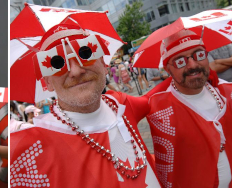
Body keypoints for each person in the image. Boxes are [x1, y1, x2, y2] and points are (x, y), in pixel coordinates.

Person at [10, 23, 159, 187]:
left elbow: (160, 97)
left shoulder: (120, 103)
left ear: (103, 63)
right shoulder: (29, 150)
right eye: (58, 63)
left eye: (85, 53)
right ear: (48, 82)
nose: (75, 71)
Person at [139, 29, 232, 188]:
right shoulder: (155, 107)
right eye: (180, 61)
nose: (193, 65)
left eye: (199, 55)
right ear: (167, 69)